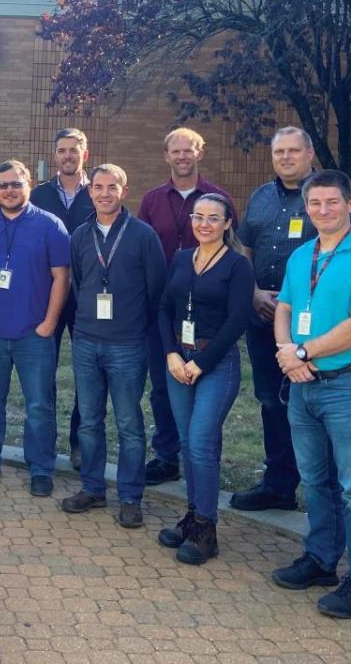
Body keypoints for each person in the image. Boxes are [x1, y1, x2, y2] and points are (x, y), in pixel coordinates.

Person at [270, 170, 351, 619]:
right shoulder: (302, 255)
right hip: (303, 386)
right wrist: (288, 352)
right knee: (316, 481)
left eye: (331, 202)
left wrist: (303, 350)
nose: (323, 210)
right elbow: (284, 306)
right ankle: (321, 560)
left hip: (350, 387)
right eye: (315, 203)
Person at [234, 127, 351, 512]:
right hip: (264, 320)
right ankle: (278, 483)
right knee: (271, 402)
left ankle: (326, 494)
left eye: (294, 151)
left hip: (318, 326)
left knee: (315, 405)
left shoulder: (329, 199)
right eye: (279, 152)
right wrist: (254, 292)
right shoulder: (260, 196)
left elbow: (348, 259)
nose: (286, 158)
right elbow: (246, 247)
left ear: (310, 154)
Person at [62, 164, 166, 529]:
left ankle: (130, 497)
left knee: (129, 424)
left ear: (124, 191)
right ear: (90, 192)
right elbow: (78, 284)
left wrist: (132, 324)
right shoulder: (79, 235)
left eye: (112, 187)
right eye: (98, 187)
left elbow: (156, 291)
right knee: (89, 422)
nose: (104, 194)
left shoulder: (143, 236)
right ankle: (92, 488)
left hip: (127, 344)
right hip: (87, 341)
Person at [156, 194, 254, 564]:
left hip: (217, 362)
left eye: (214, 218)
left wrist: (203, 362)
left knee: (201, 442)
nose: (204, 224)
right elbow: (165, 307)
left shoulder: (237, 265)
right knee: (186, 441)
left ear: (228, 223)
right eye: (199, 216)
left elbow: (238, 320)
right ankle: (192, 516)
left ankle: (207, 530)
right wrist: (170, 353)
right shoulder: (181, 259)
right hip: (179, 359)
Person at [0, 160, 70, 497]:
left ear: (28, 184)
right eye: (3, 185)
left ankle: (40, 468)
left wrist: (49, 324)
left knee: (38, 404)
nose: (9, 190)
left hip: (33, 335)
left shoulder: (50, 225)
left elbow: (61, 277)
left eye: (15, 184)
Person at [137, 128, 235, 487]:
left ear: (200, 153)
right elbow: (142, 251)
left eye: (188, 150)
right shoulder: (151, 200)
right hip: (162, 309)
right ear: (166, 156)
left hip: (209, 313)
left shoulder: (218, 199)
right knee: (164, 383)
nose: (182, 157)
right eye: (175, 151)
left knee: (207, 391)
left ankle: (205, 459)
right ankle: (167, 455)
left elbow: (233, 252)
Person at [30, 128, 95, 461]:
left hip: (87, 295)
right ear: (54, 155)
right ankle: (45, 441)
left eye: (74, 150)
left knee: (86, 370)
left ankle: (78, 441)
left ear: (85, 154)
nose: (68, 156)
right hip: (47, 294)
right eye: (62, 150)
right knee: (44, 370)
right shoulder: (39, 195)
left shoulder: (97, 192)